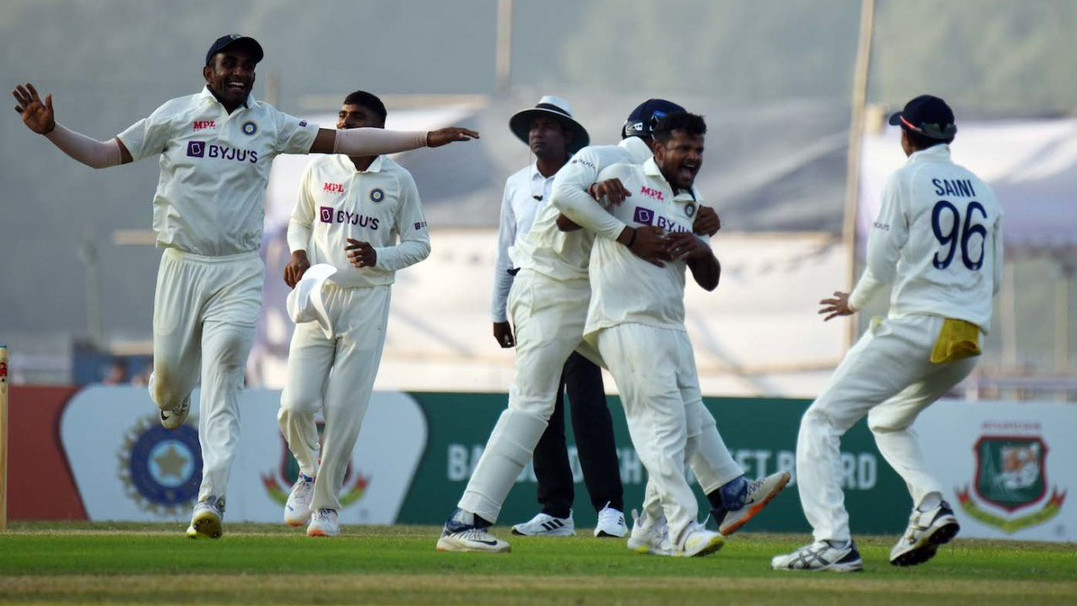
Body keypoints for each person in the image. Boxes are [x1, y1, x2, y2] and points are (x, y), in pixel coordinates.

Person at [11, 34, 477, 540]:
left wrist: (425, 138)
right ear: (207, 71)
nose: (240, 72)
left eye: (248, 65)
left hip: (239, 268)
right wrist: (52, 131)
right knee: (170, 383)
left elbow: (348, 141)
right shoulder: (175, 115)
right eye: (229, 63)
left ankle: (211, 498)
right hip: (181, 265)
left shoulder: (270, 124)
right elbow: (103, 155)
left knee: (228, 366)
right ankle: (172, 398)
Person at [437, 100, 786, 555]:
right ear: (655, 139)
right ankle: (465, 521)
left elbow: (673, 227)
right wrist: (623, 231)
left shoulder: (658, 179)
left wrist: (703, 224)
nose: (683, 157)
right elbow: (565, 209)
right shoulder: (603, 156)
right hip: (547, 288)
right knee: (533, 406)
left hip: (597, 297)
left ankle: (727, 492)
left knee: (673, 390)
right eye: (673, 143)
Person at [772, 94, 1003, 572]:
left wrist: (853, 301)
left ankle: (832, 542)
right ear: (950, 138)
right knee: (888, 420)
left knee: (821, 422)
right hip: (969, 338)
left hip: (919, 326)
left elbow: (880, 263)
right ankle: (930, 503)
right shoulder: (984, 190)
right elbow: (994, 280)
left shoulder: (906, 178)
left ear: (906, 136)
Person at [277, 90, 432, 538]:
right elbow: (299, 221)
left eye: (355, 118)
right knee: (295, 405)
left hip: (367, 301)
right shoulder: (320, 166)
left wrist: (378, 255)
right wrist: (298, 253)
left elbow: (420, 245)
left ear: (378, 129)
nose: (343, 124)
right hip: (318, 295)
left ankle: (326, 506)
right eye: (341, 116)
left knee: (344, 410)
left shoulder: (399, 179)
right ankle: (308, 472)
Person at [491, 95, 626, 539]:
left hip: (577, 300)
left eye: (547, 125)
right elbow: (505, 253)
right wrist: (498, 310)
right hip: (530, 302)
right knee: (539, 406)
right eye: (533, 125)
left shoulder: (589, 177)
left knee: (587, 404)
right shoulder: (515, 184)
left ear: (567, 136)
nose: (537, 131)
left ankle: (610, 508)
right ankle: (556, 512)